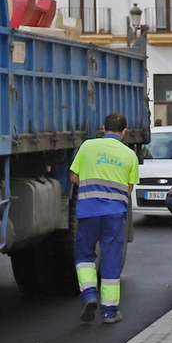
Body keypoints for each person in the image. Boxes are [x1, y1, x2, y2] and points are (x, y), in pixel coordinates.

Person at [69, 113, 139, 324]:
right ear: (124, 132)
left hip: (88, 212)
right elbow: (128, 189)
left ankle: (89, 294)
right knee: (110, 260)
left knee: (84, 255)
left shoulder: (88, 147)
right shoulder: (129, 156)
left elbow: (73, 177)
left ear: (103, 128)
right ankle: (109, 312)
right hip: (114, 215)